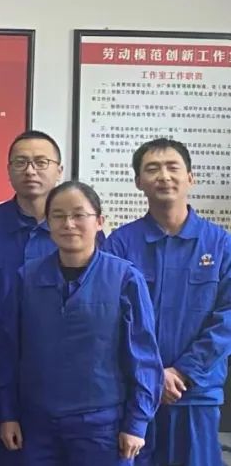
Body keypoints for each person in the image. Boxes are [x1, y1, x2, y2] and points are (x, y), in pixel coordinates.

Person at [0, 182, 162, 465]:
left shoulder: (124, 278)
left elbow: (143, 357)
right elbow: (7, 351)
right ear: (48, 224)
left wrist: (136, 423)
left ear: (99, 221)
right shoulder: (27, 277)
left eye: (78, 215)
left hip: (102, 425)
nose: (68, 224)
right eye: (58, 216)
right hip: (37, 424)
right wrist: (7, 414)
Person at [104, 139, 231, 466]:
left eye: (173, 167)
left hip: (195, 396)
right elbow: (107, 320)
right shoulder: (120, 244)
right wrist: (151, 375)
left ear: (190, 177)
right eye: (152, 169)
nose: (164, 176)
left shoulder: (220, 245)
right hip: (134, 399)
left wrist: (183, 371)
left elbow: (227, 319)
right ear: (138, 181)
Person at [0, 130, 63, 465]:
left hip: (58, 385)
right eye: (21, 162)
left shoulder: (77, 227)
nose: (30, 170)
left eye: (41, 162)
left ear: (59, 170)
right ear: (8, 170)